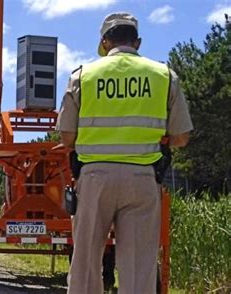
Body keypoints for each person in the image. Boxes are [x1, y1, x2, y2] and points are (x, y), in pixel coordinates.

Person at [56, 12, 193, 293]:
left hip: (94, 179)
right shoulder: (164, 76)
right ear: (138, 42)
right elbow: (181, 137)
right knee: (137, 268)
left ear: (104, 42)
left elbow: (67, 137)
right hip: (143, 180)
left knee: (85, 264)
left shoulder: (83, 76)